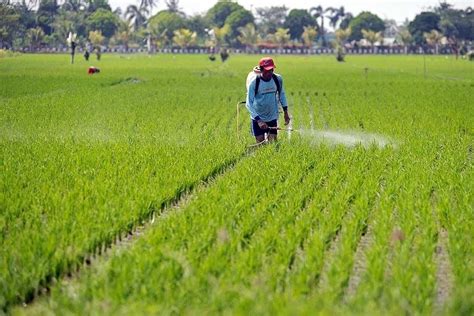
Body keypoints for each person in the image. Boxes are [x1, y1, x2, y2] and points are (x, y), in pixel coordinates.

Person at [246, 57, 290, 144]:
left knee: (273, 144)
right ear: (261, 70)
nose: (269, 73)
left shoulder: (277, 79)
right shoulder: (254, 82)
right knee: (260, 144)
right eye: (267, 71)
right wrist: (259, 120)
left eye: (271, 70)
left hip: (272, 116)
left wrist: (285, 112)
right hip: (258, 117)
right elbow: (248, 103)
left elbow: (282, 94)